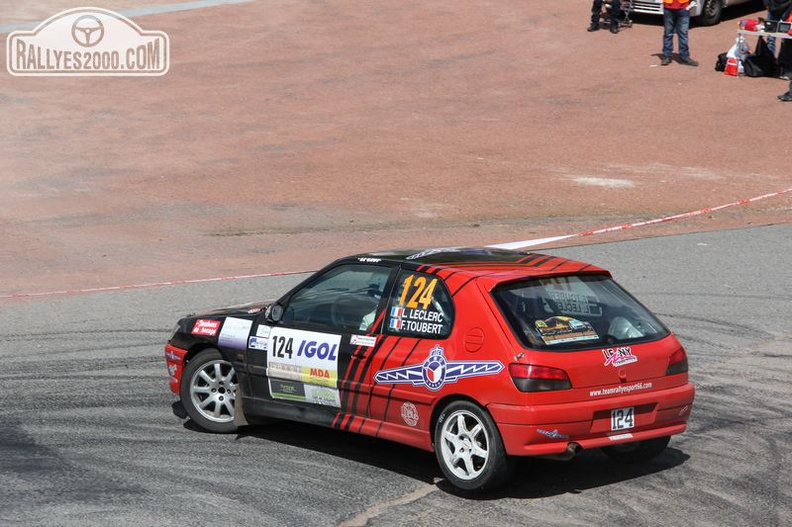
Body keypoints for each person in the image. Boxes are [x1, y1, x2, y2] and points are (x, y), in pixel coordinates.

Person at [660, 0, 698, 66]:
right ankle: (666, 56)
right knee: (668, 33)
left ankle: (684, 57)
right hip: (668, 7)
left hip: (683, 7)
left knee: (683, 34)